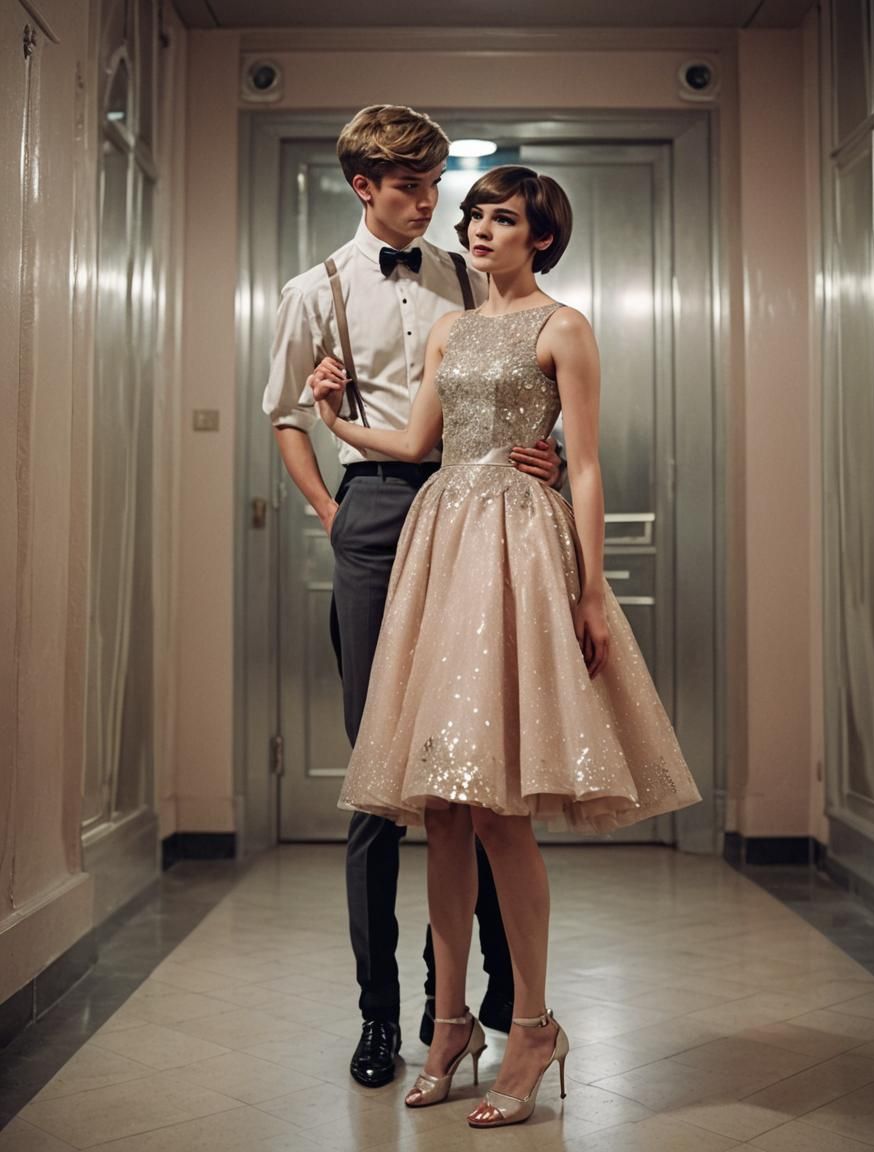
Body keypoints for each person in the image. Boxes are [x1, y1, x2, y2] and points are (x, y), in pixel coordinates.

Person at [312, 164, 702, 1129]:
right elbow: (414, 446)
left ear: (542, 238)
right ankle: (449, 1025)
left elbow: (590, 460)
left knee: (497, 810)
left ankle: (531, 1023)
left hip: (521, 544)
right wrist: (330, 416)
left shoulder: (563, 325)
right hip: (442, 542)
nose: (480, 229)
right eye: (477, 215)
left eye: (503, 219)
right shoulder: (450, 326)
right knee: (441, 807)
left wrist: (592, 588)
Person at [262, 106, 564, 1090]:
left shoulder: (467, 272)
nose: (432, 203)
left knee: (472, 771)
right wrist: (329, 516)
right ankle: (378, 1020)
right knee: (378, 779)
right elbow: (285, 419)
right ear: (363, 187)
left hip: (475, 508)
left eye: (438, 184)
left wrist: (545, 450)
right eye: (410, 187)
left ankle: (491, 1006)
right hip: (374, 507)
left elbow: (529, 367)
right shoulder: (313, 290)